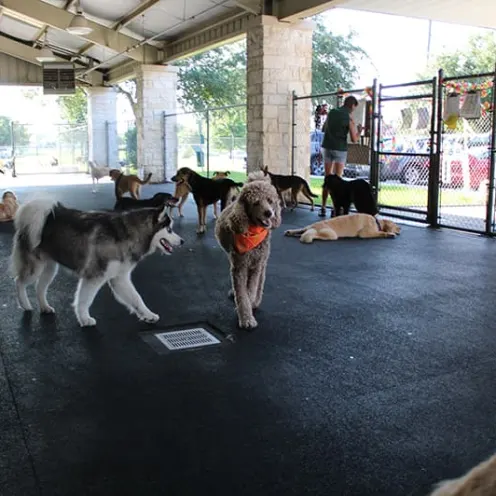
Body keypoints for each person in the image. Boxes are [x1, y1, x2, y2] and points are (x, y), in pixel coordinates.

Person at [319, 95, 361, 217]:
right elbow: (354, 139)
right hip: (340, 149)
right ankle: (335, 208)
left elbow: (324, 127)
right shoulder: (349, 118)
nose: (353, 110)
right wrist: (359, 131)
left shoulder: (332, 112)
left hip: (327, 146)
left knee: (327, 179)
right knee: (338, 180)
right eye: (354, 107)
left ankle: (322, 207)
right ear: (352, 105)